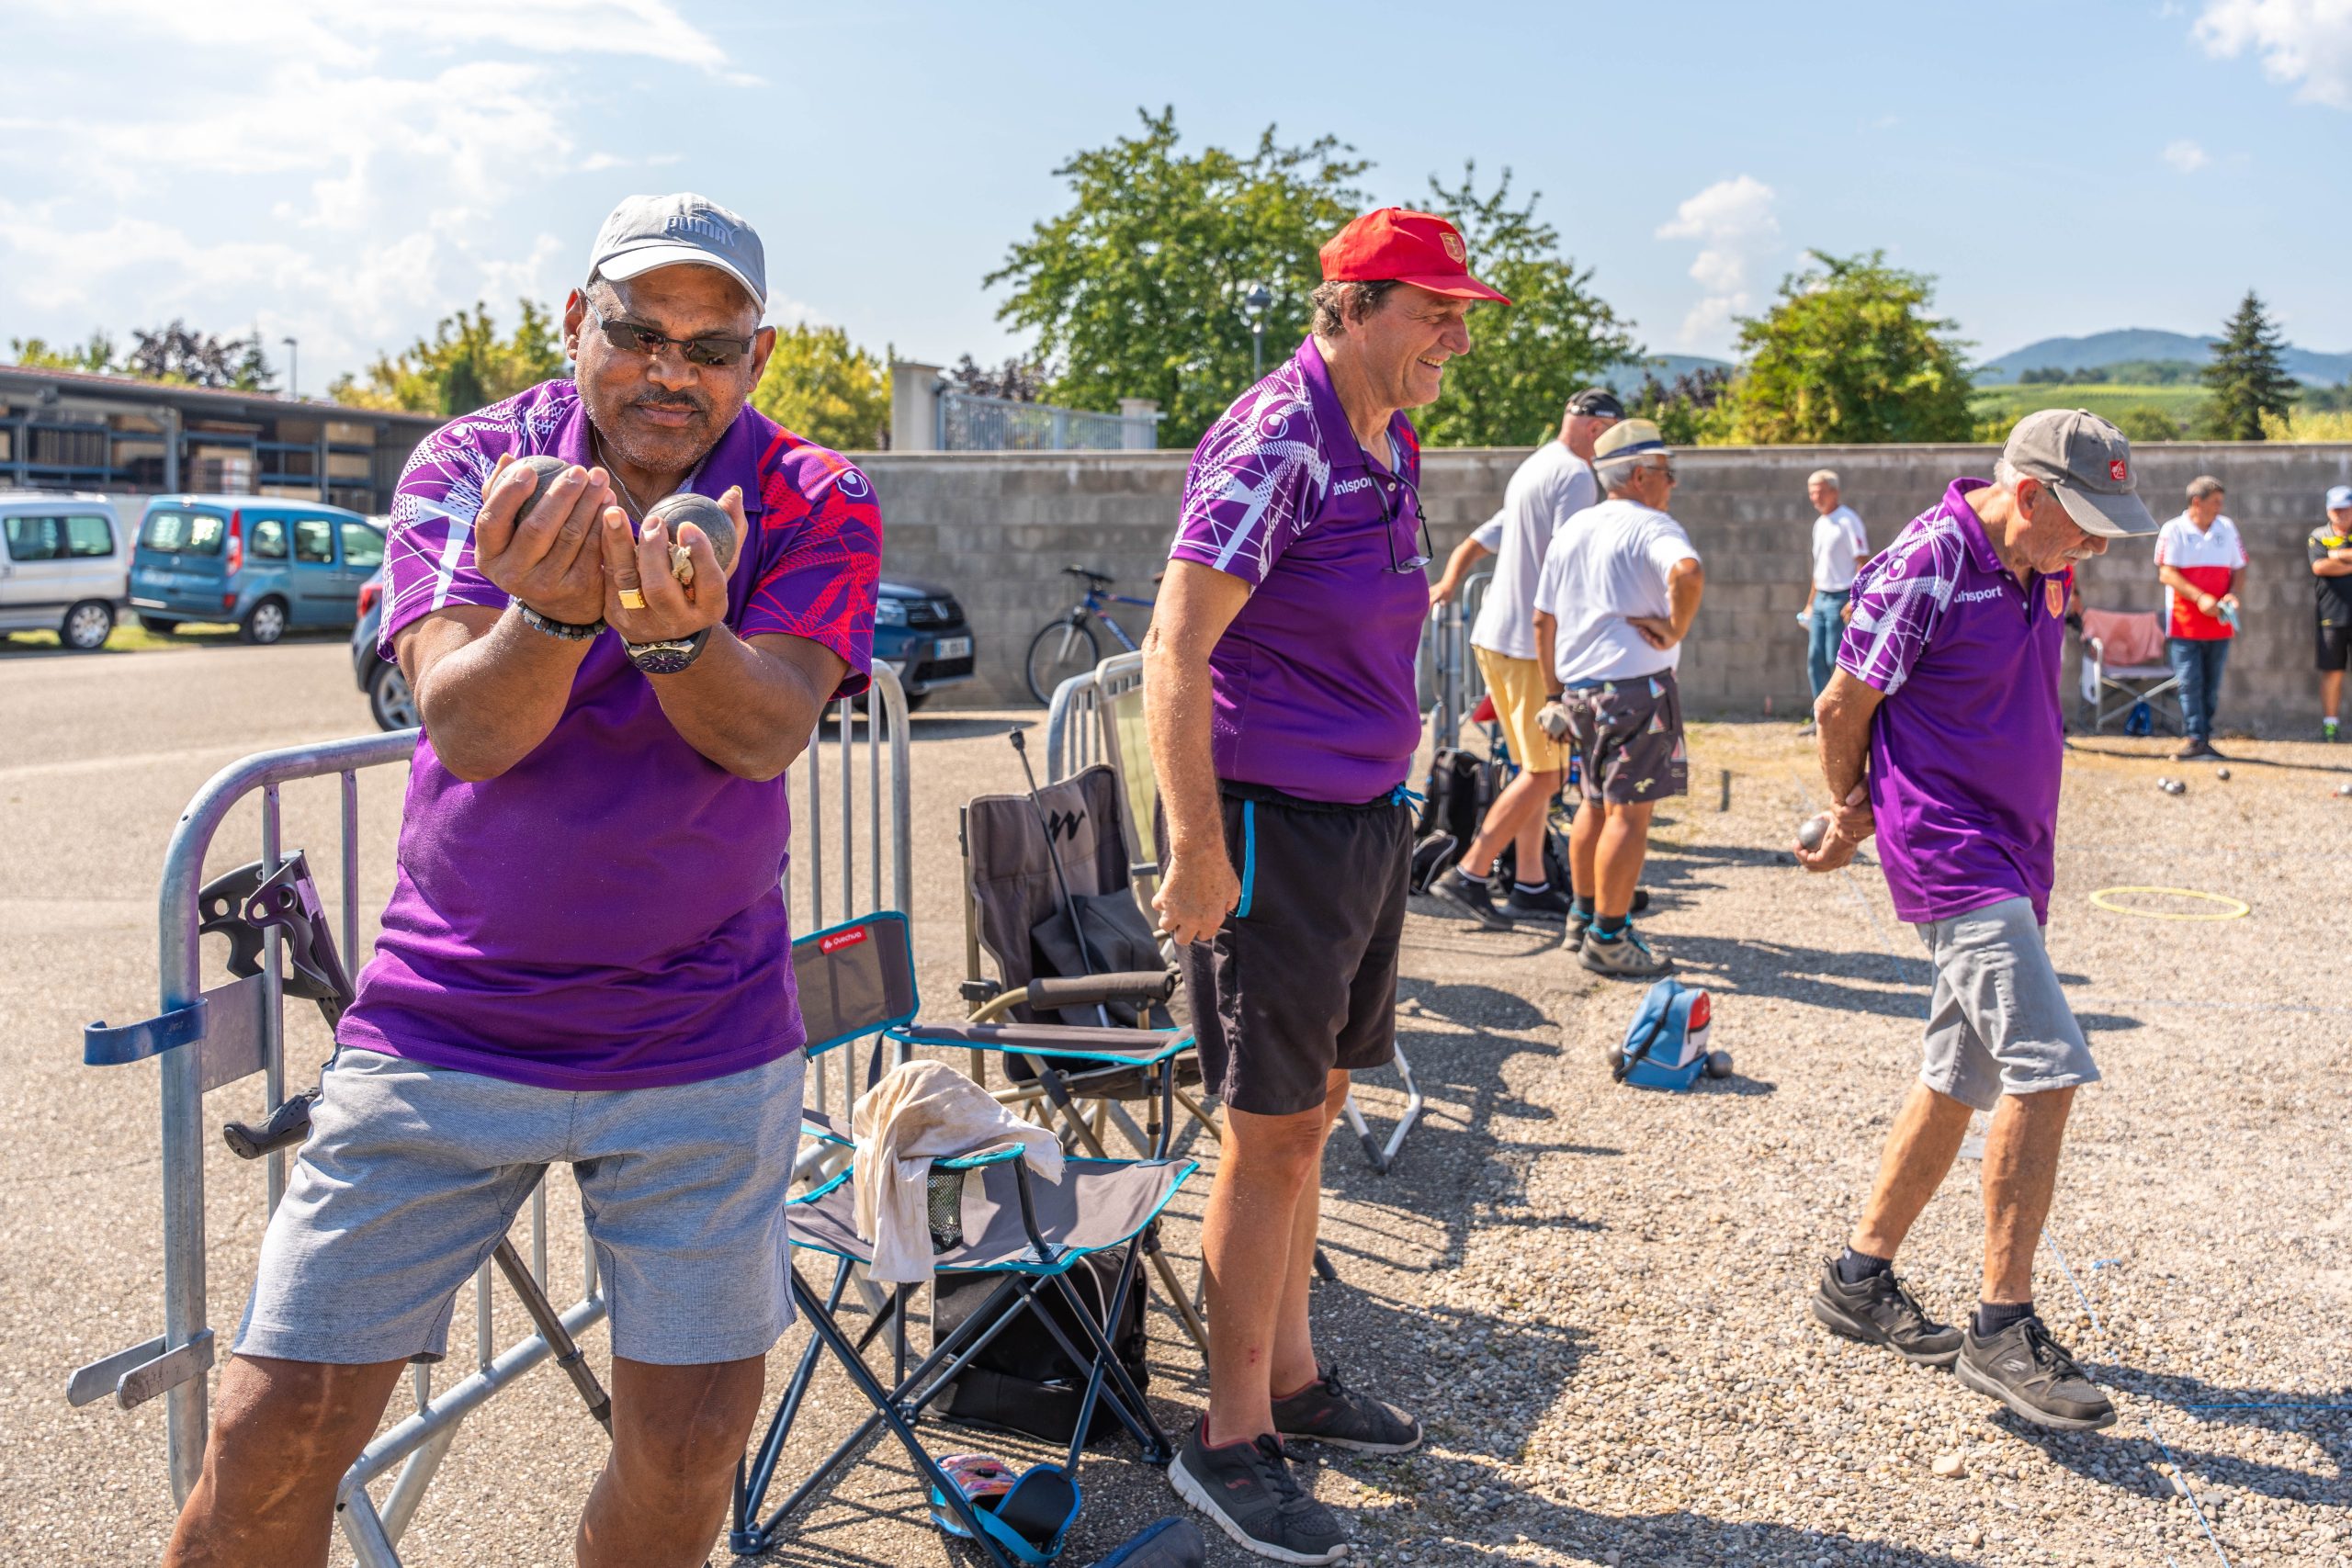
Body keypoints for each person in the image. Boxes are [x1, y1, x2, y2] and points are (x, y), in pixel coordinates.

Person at [162, 194, 881, 1568]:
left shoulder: (813, 492)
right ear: (574, 325)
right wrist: (553, 616)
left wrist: (679, 642)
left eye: (713, 345)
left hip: (702, 1039)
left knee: (685, 1456)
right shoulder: (469, 459)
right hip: (444, 1023)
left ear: (760, 356)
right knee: (270, 1440)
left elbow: (769, 728)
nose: (672, 371)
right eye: (637, 332)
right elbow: (469, 725)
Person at [1147, 205, 1508, 1563]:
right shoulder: (1277, 436)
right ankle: (1228, 1437)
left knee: (1319, 1106)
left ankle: (1293, 1375)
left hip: (1360, 818)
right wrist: (1194, 844)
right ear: (1352, 306)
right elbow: (1176, 645)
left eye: (1461, 313)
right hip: (1270, 827)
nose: (1453, 338)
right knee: (1270, 1122)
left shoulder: (1386, 435)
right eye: (1432, 311)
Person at [1799, 408, 2156, 1433]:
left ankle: (1857, 1277)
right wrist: (1848, 814)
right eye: (2083, 523)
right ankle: (2003, 1328)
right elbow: (1841, 706)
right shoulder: (1923, 562)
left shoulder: (2040, 562)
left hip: (2014, 849)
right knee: (2045, 1068)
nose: (2092, 546)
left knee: (1957, 1076)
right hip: (1953, 852)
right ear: (2029, 492)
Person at [1430, 388, 1623, 931]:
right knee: (1545, 772)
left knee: (1537, 768)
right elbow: (1570, 562)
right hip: (1530, 644)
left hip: (1498, 635)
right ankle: (1468, 873)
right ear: (1596, 427)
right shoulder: (1579, 477)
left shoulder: (1536, 466)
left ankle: (1532, 884)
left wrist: (1449, 582)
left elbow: (1481, 539)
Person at [1530, 418, 1702, 972]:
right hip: (1637, 692)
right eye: (1665, 472)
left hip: (1579, 692)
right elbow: (1689, 573)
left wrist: (1554, 692)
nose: (1671, 484)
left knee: (1594, 807)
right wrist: (1675, 629)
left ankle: (1582, 919)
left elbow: (1542, 621)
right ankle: (1609, 936)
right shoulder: (1654, 526)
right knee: (1630, 815)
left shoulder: (1574, 529)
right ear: (1636, 475)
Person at [2154, 475, 2245, 760]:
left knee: (2211, 685)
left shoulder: (2226, 527)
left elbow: (2239, 568)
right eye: (2215, 502)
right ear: (2197, 502)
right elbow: (2166, 573)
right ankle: (2195, 737)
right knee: (2190, 682)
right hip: (2184, 623)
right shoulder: (2174, 529)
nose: (2220, 508)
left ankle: (2204, 735)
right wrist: (2200, 597)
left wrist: (2231, 594)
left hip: (2219, 623)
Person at [1800, 468, 1871, 724]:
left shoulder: (1847, 520)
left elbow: (1863, 561)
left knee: (1835, 659)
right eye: (1811, 493)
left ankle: (1842, 718)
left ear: (1834, 492)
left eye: (1819, 492)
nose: (1815, 498)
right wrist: (1810, 605)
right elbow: (1819, 570)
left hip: (1841, 598)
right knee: (1815, 660)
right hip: (1821, 600)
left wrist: (1855, 599)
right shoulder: (1820, 524)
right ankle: (1821, 718)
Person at [2311, 484, 2352, 741]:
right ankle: (2330, 724)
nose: (2341, 514)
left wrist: (2338, 556)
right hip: (2331, 613)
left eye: (2346, 509)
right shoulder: (2319, 535)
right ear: (2328, 510)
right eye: (2337, 509)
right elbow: (2320, 567)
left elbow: (2330, 562)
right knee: (2332, 670)